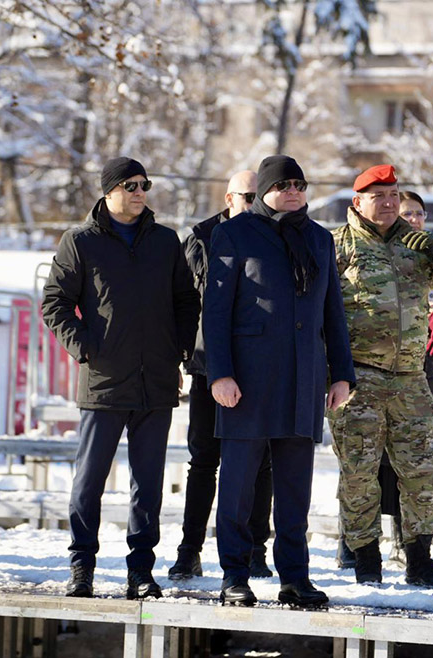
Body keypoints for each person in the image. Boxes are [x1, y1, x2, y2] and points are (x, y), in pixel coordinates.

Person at [42, 156, 200, 600]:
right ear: (108, 191)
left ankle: (141, 572)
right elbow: (54, 303)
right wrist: (86, 347)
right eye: (130, 185)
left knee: (147, 486)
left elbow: (186, 303)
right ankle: (82, 567)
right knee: (88, 482)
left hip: (157, 383)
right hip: (104, 381)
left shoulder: (166, 242)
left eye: (144, 184)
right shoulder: (80, 242)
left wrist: (181, 350)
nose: (139, 192)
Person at [204, 155, 354, 608]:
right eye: (283, 184)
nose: (293, 191)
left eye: (300, 183)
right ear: (266, 190)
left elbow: (333, 313)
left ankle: (295, 578)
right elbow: (216, 312)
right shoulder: (233, 233)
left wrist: (341, 373)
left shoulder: (319, 239)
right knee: (237, 487)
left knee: (294, 490)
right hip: (247, 380)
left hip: (303, 377)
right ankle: (235, 574)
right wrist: (220, 373)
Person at [329, 165, 433, 587]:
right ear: (358, 202)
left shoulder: (418, 246)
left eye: (394, 195)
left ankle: (419, 558)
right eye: (379, 196)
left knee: (422, 469)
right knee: (359, 471)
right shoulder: (337, 245)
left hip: (410, 376)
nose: (389, 203)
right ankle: (365, 556)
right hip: (359, 378)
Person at [168, 171, 274, 582]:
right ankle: (189, 549)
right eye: (247, 196)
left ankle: (255, 551)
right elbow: (184, 304)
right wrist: (182, 358)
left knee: (259, 465)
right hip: (209, 367)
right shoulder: (200, 238)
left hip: (261, 370)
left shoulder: (272, 235)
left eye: (258, 195)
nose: (253, 202)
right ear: (229, 198)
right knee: (204, 462)